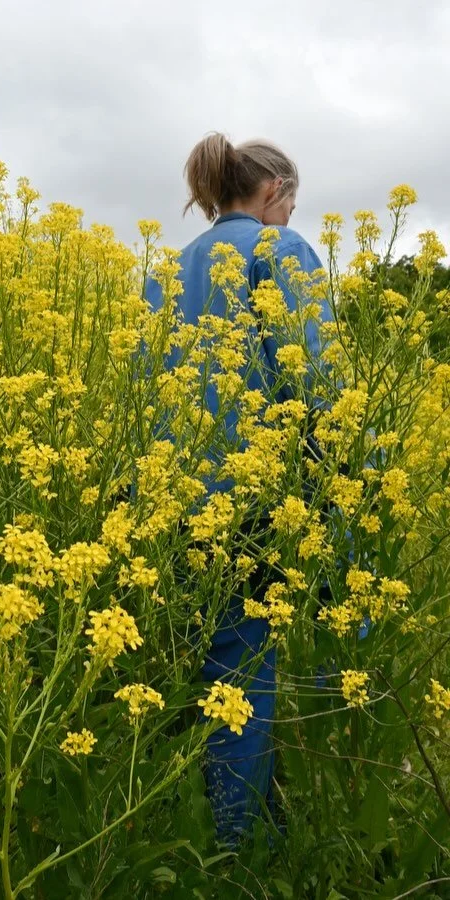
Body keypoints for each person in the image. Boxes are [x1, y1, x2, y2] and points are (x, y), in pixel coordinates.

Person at [144, 133, 334, 843]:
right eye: (291, 204)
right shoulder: (278, 251)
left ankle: (221, 819)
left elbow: (145, 387)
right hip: (256, 496)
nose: (289, 217)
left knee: (208, 665)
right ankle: (241, 846)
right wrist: (352, 473)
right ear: (272, 191)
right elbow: (316, 373)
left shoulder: (166, 270)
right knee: (249, 675)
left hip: (174, 497)